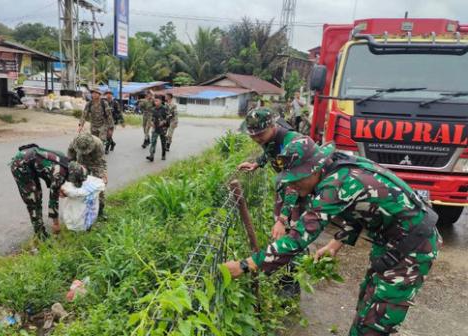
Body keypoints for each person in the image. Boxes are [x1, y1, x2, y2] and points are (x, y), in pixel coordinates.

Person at [224, 138, 440, 336]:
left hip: (413, 245)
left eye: (297, 178)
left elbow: (298, 238)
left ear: (313, 168)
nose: (292, 185)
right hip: (391, 240)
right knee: (367, 300)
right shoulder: (336, 167)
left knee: (377, 320)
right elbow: (361, 207)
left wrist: (245, 265)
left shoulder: (335, 185)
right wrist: (335, 244)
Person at [237, 107, 307, 296]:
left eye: (260, 134)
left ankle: (290, 284)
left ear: (272, 125)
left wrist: (282, 219)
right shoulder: (270, 139)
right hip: (286, 189)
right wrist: (256, 164)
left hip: (303, 191)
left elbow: (296, 184)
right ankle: (284, 275)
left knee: (296, 234)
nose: (256, 139)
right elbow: (269, 151)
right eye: (252, 135)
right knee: (282, 236)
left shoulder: (292, 144)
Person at [10, 144, 86, 239]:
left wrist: (58, 188)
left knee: (38, 195)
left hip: (30, 164)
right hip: (20, 165)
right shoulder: (59, 173)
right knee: (33, 200)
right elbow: (53, 200)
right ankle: (39, 235)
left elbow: (50, 173)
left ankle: (40, 229)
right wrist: (56, 223)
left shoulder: (65, 162)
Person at [67, 132, 108, 219]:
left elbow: (102, 162)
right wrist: (72, 167)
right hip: (81, 163)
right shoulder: (74, 142)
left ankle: (100, 210)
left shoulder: (98, 144)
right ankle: (80, 208)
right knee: (78, 185)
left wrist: (103, 174)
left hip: (96, 163)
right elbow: (70, 155)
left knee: (100, 186)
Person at [78, 87, 113, 154]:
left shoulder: (104, 103)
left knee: (101, 141)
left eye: (96, 93)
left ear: (99, 94)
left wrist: (110, 128)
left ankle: (100, 156)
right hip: (93, 126)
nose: (94, 94)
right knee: (94, 141)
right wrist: (81, 125)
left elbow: (109, 116)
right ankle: (96, 154)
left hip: (103, 125)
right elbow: (84, 115)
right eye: (93, 93)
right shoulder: (89, 104)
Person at [146, 96, 171, 162]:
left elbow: (169, 116)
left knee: (163, 141)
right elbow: (152, 117)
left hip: (163, 128)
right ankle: (151, 155)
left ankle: (163, 154)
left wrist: (163, 122)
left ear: (160, 101)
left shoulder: (165, 108)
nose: (155, 102)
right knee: (153, 141)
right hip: (155, 127)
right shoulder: (153, 109)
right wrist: (151, 122)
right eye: (155, 101)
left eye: (157, 101)